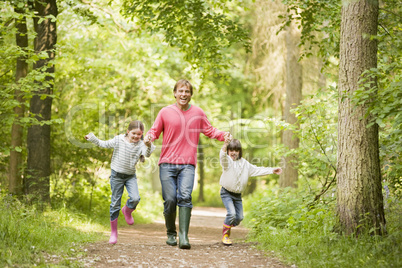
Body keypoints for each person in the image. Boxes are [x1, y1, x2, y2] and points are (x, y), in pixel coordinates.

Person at [144, 79, 229, 249]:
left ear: (191, 95)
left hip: (187, 164)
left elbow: (210, 130)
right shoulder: (165, 112)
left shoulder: (197, 113)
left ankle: (183, 236)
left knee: (185, 197)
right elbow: (154, 131)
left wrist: (223, 135)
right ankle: (171, 233)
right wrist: (148, 138)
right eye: (181, 91)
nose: (184, 94)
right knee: (170, 199)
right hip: (167, 163)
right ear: (175, 93)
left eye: (187, 92)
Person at [85, 120, 155, 244]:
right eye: (133, 133)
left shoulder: (142, 144)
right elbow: (104, 144)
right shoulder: (119, 140)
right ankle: (113, 233)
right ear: (128, 131)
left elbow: (147, 154)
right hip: (116, 176)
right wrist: (92, 138)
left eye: (139, 134)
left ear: (142, 134)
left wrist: (148, 144)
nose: (135, 136)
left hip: (130, 176)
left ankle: (127, 210)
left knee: (135, 198)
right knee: (115, 204)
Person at [219, 137, 282, 245]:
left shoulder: (245, 164)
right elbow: (222, 157)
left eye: (236, 150)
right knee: (232, 213)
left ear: (240, 151)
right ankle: (225, 235)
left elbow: (257, 170)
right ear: (228, 151)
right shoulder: (227, 162)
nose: (234, 153)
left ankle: (227, 224)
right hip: (226, 193)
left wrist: (272, 170)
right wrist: (225, 146)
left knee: (239, 217)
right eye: (231, 150)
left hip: (237, 195)